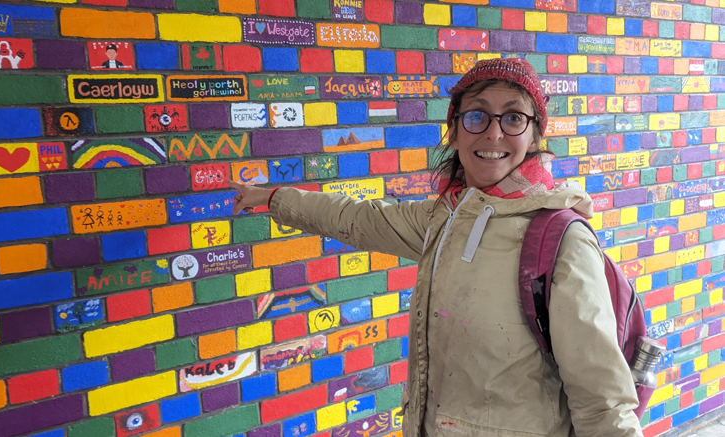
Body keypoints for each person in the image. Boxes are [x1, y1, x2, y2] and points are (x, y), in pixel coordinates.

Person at [228, 58, 642, 436]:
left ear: (534, 134)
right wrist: (272, 198)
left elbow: (603, 401)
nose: (494, 132)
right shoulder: (443, 218)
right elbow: (357, 218)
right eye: (477, 115)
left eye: (513, 117)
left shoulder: (560, 239)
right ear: (456, 129)